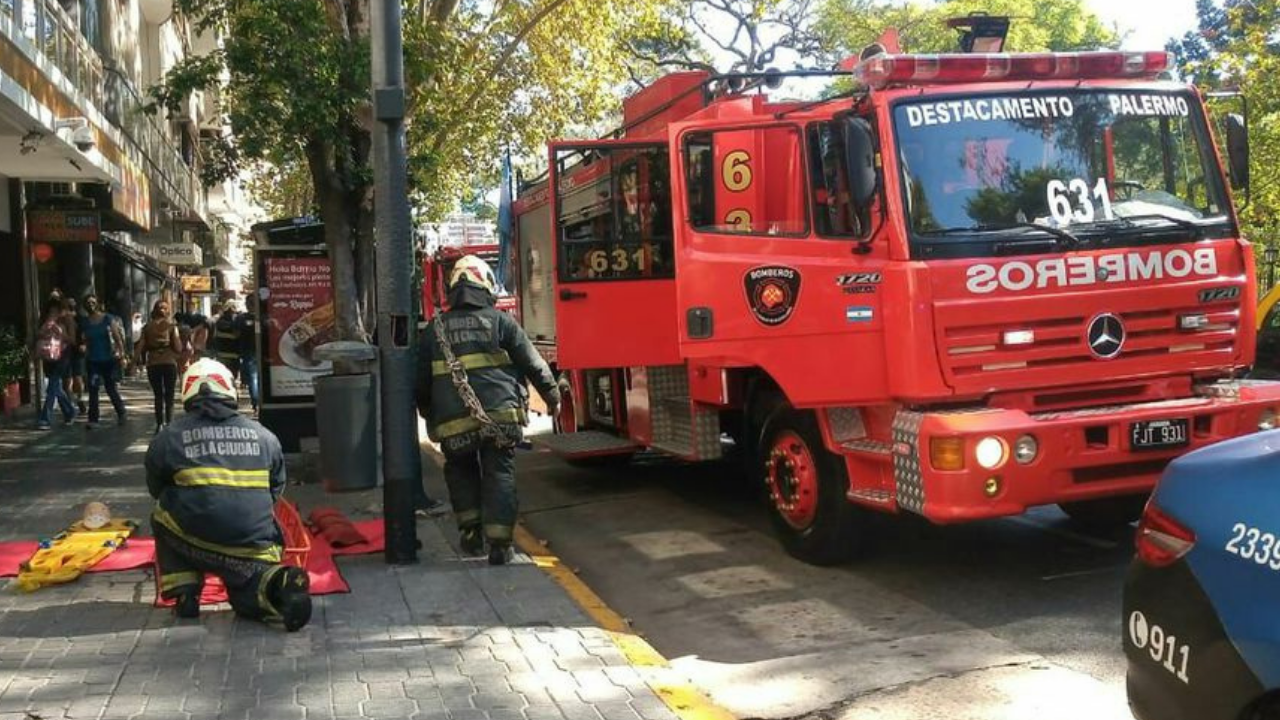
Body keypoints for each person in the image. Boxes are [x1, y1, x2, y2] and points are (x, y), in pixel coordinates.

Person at [144, 358, 310, 631]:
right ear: (229, 391)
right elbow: (275, 490)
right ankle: (275, 584)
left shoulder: (168, 437)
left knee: (162, 514)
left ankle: (185, 590)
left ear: (187, 393)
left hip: (194, 541)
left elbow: (156, 489)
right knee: (246, 590)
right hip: (254, 544)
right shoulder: (265, 436)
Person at [415, 255, 560, 565]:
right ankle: (500, 544)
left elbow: (420, 381)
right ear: (486, 285)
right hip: (500, 419)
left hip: (453, 424)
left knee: (460, 471)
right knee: (499, 474)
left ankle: (470, 533)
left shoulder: (433, 330)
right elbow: (533, 363)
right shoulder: (501, 322)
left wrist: (429, 412)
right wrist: (552, 397)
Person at [80, 293, 127, 429]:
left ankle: (121, 412)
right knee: (93, 389)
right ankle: (93, 419)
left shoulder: (107, 318)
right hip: (93, 361)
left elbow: (117, 338)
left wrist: (122, 354)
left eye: (93, 302)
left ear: (98, 304)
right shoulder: (85, 322)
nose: (91, 305)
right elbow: (83, 339)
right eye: (88, 303)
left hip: (108, 360)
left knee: (110, 387)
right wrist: (83, 346)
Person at [137, 300, 183, 433]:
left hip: (153, 363)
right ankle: (169, 423)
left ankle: (159, 424)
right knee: (169, 395)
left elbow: (140, 346)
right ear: (167, 311)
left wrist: (134, 362)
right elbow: (179, 347)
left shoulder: (147, 327)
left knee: (158, 395)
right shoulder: (171, 327)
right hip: (169, 362)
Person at [34, 299, 77, 430]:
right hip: (48, 356)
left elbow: (73, 340)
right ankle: (70, 411)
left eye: (56, 310)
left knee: (52, 386)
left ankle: (45, 418)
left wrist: (61, 334)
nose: (53, 313)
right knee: (55, 387)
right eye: (51, 311)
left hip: (62, 356)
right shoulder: (45, 321)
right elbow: (38, 335)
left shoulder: (67, 320)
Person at [237, 295, 261, 415]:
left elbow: (236, 333)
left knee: (253, 378)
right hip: (261, 352)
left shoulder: (241, 319)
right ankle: (259, 402)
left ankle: (256, 404)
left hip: (247, 352)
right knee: (258, 378)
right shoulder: (262, 317)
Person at [210, 300, 242, 376]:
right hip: (233, 355)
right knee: (232, 377)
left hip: (222, 354)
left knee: (224, 377)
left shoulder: (219, 321)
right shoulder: (236, 322)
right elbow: (237, 335)